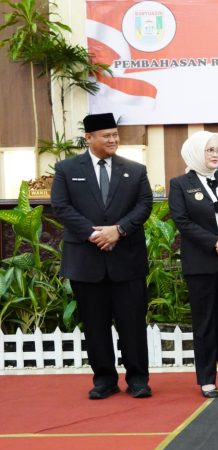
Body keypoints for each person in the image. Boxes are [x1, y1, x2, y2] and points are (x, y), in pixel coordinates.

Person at [51, 113, 153, 399]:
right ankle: (104, 380)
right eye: (106, 135)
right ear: (89, 138)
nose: (113, 140)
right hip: (87, 260)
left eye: (115, 135)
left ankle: (138, 379)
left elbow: (144, 204)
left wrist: (118, 230)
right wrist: (93, 234)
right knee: (95, 325)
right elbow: (61, 206)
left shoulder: (135, 170)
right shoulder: (67, 169)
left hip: (127, 260)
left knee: (132, 324)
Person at [168, 131, 218, 398]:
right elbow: (183, 222)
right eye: (209, 149)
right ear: (195, 152)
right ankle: (206, 379)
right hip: (202, 263)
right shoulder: (180, 184)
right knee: (204, 322)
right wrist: (216, 243)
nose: (215, 154)